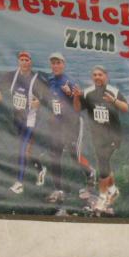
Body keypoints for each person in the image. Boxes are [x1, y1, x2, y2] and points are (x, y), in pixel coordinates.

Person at [37, 52, 94, 207]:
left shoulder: (69, 82)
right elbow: (49, 100)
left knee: (74, 155)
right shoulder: (50, 81)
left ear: (64, 64)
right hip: (57, 125)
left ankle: (90, 173)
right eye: (53, 63)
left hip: (72, 124)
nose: (55, 66)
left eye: (58, 63)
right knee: (54, 157)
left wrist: (72, 95)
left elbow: (79, 107)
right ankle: (58, 190)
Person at [76, 65, 128, 213]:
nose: (97, 77)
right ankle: (113, 189)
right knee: (104, 164)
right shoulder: (88, 92)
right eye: (95, 75)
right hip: (97, 137)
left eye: (100, 74)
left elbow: (125, 108)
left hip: (112, 136)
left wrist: (114, 101)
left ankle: (102, 197)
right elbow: (78, 108)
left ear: (106, 76)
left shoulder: (113, 91)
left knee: (103, 166)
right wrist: (76, 96)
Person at [0, 51, 46, 194]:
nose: (24, 62)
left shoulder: (36, 79)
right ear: (18, 61)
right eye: (21, 59)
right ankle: (41, 169)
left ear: (31, 62)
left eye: (26, 60)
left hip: (32, 120)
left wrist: (39, 102)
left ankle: (19, 183)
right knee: (27, 151)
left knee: (22, 150)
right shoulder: (12, 76)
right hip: (18, 119)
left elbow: (47, 96)